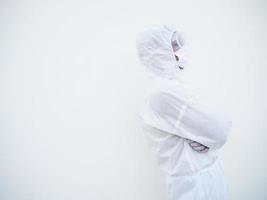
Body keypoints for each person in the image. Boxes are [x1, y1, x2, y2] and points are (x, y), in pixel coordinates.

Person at [136, 24, 232, 200]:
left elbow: (214, 128)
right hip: (195, 186)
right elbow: (220, 130)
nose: (180, 50)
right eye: (173, 46)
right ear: (157, 51)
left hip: (205, 177)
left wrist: (205, 136)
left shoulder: (174, 87)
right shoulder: (163, 93)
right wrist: (206, 136)